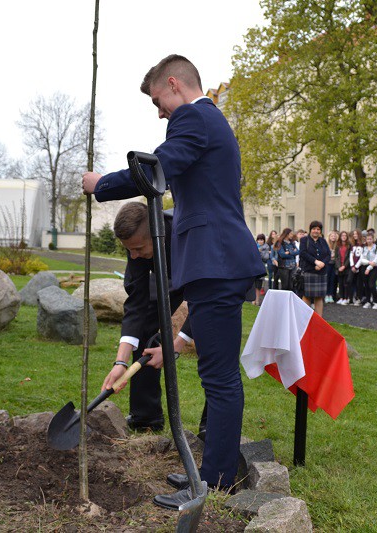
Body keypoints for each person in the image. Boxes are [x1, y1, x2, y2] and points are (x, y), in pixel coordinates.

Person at [81, 54, 264, 507]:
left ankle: (216, 480)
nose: (159, 111)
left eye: (158, 100)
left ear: (174, 83)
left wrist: (99, 184)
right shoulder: (207, 122)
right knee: (215, 374)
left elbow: (155, 174)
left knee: (219, 378)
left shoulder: (194, 119)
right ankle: (211, 472)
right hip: (215, 259)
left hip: (216, 259)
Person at [101, 202, 196, 432]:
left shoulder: (189, 234)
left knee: (213, 340)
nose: (133, 255)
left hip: (213, 275)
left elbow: (203, 298)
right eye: (129, 250)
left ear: (156, 235)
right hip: (168, 273)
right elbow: (136, 300)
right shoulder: (137, 242)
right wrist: (121, 362)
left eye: (138, 249)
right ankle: (146, 418)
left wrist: (175, 346)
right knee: (143, 326)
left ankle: (211, 429)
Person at [299, 221, 331, 316]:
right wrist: (315, 262)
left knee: (319, 297)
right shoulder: (304, 240)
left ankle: (319, 320)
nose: (316, 231)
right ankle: (304, 319)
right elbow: (303, 253)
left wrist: (322, 264)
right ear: (310, 230)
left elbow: (328, 254)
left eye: (318, 229)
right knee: (307, 296)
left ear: (320, 231)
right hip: (309, 271)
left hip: (321, 272)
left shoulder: (323, 241)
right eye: (314, 229)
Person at [356, 233, 377, 308]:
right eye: (367, 239)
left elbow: (376, 260)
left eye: (370, 239)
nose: (369, 241)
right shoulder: (364, 248)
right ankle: (368, 301)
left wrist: (369, 268)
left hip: (373, 268)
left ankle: (376, 302)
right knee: (366, 285)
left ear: (373, 239)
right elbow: (362, 259)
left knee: (371, 284)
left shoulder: (376, 247)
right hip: (364, 267)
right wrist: (369, 263)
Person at [348, 230, 364, 305]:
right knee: (349, 281)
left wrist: (357, 266)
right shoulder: (352, 244)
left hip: (360, 266)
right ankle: (350, 298)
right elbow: (351, 255)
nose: (355, 235)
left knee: (359, 283)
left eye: (356, 234)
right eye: (354, 234)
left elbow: (362, 256)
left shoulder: (363, 244)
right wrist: (352, 265)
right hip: (353, 266)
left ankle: (359, 298)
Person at [255, 234, 270, 305]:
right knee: (252, 285)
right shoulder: (253, 246)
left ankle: (257, 300)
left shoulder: (266, 247)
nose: (260, 241)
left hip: (260, 268)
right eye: (259, 240)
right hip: (253, 268)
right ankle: (253, 299)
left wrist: (259, 252)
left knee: (258, 285)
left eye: (262, 240)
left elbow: (266, 258)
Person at [336, 230, 350, 304]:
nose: (343, 237)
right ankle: (341, 297)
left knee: (346, 283)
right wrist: (339, 266)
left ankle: (346, 297)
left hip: (346, 267)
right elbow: (336, 257)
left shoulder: (349, 245)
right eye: (342, 236)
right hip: (339, 267)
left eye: (345, 236)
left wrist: (344, 266)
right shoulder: (338, 245)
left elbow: (349, 257)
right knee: (340, 283)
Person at [325, 230, 339, 304]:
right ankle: (326, 295)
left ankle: (331, 295)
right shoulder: (326, 245)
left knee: (332, 280)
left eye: (334, 236)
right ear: (329, 237)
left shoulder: (337, 245)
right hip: (327, 265)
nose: (333, 237)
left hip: (334, 265)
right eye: (332, 236)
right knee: (327, 279)